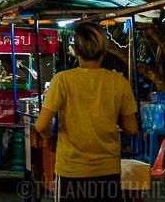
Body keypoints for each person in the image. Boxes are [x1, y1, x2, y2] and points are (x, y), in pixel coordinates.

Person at [34, 21, 138, 202]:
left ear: (76, 50)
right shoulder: (119, 82)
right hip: (108, 172)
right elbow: (132, 128)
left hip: (72, 172)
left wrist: (49, 139)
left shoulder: (62, 80)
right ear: (104, 51)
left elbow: (41, 124)